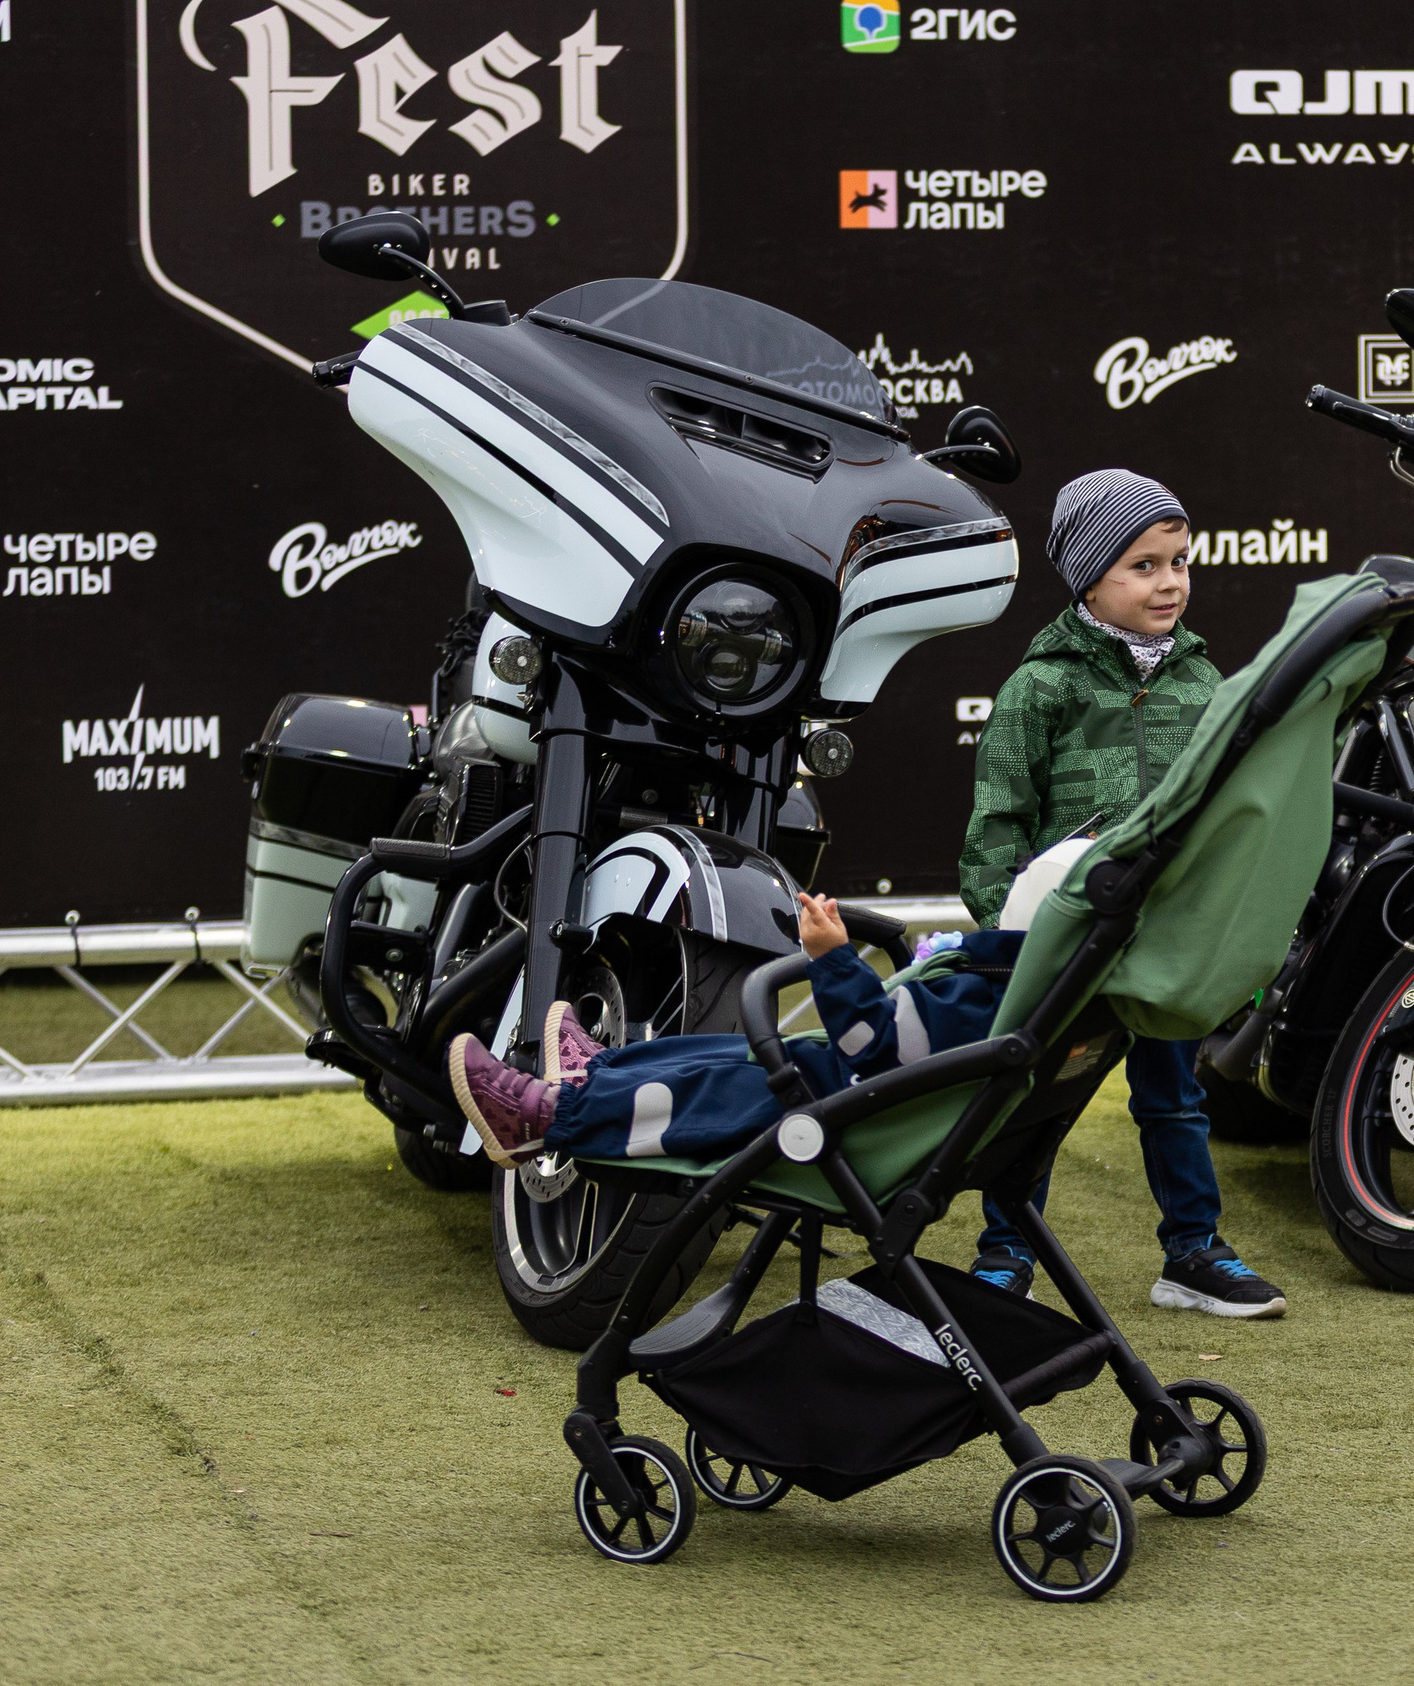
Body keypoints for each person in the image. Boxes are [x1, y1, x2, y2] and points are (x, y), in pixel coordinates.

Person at [958, 468, 1288, 1319]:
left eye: (1180, 561)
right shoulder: (1043, 686)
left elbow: (1227, 817)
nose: (1171, 581)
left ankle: (1192, 1251)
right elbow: (997, 824)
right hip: (1062, 942)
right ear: (1089, 575)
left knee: (1174, 1095)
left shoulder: (1203, 683)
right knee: (1030, 1096)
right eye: (1144, 564)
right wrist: (1008, 937)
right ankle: (1004, 1250)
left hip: (1162, 941)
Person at [447, 891, 1022, 1166]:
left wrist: (832, 960)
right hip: (866, 1101)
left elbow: (872, 1044)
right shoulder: (1030, 1000)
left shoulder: (985, 997)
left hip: (842, 1117)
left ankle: (542, 1118)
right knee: (722, 1052)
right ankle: (589, 1077)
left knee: (708, 1089)